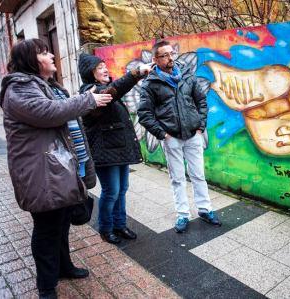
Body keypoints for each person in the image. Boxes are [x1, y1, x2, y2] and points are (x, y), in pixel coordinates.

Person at [0, 39, 113, 299]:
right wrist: (88, 100)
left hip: (57, 167)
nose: (51, 55)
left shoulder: (47, 85)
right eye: (43, 52)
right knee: (47, 228)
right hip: (40, 171)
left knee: (61, 223)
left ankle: (64, 267)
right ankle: (46, 287)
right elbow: (49, 112)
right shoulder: (20, 88)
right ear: (31, 60)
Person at [137, 40, 221, 233]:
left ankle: (205, 209)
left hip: (193, 134)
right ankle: (183, 214)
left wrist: (200, 126)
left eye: (171, 53)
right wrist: (162, 134)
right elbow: (144, 114)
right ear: (155, 59)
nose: (170, 58)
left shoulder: (186, 76)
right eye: (165, 55)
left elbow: (201, 101)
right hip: (171, 137)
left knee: (198, 175)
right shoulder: (150, 83)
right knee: (177, 178)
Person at [78, 53, 151, 244]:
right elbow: (114, 90)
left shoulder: (106, 90)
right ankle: (106, 228)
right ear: (90, 73)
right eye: (99, 67)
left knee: (122, 189)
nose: (105, 69)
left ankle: (120, 225)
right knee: (111, 191)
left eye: (104, 66)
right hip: (105, 151)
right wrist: (136, 74)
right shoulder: (90, 93)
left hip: (119, 149)